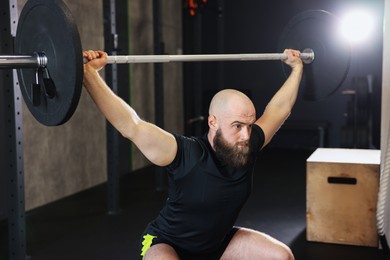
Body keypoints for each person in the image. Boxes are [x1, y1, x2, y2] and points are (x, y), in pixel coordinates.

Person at [83, 49, 303, 260]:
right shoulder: (184, 153)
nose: (246, 134)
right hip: (168, 243)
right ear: (213, 122)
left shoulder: (248, 143)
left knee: (281, 255)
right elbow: (132, 126)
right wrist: (89, 75)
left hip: (217, 244)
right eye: (237, 126)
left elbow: (279, 109)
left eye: (250, 124)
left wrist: (296, 68)